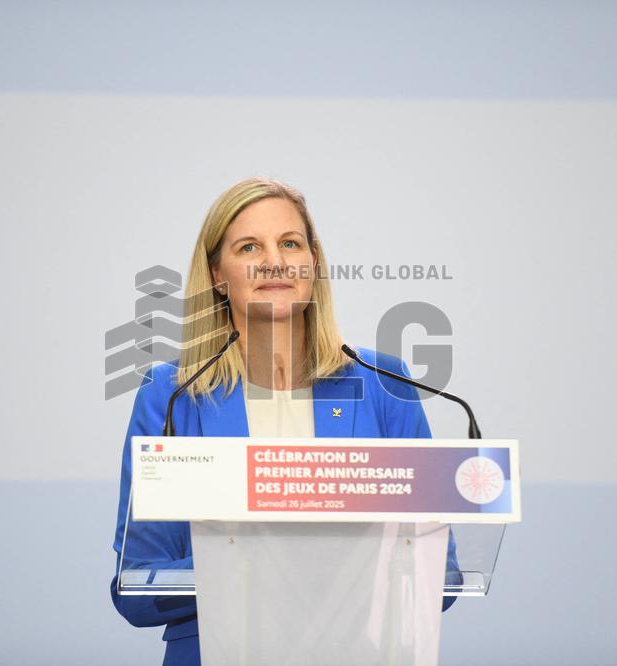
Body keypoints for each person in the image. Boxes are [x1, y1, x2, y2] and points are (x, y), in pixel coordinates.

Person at [110, 176, 459, 665]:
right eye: (250, 246)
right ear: (216, 275)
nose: (274, 260)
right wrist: (256, 561)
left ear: (313, 263)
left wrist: (289, 559)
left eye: (290, 243)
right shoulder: (172, 395)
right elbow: (137, 589)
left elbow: (441, 576)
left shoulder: (384, 383)